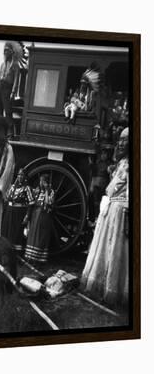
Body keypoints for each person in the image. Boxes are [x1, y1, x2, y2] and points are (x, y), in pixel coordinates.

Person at [81, 128, 129, 307]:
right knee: (104, 248)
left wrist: (127, 210)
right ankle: (101, 285)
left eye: (125, 140)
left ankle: (112, 289)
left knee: (115, 249)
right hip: (111, 207)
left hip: (120, 210)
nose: (121, 143)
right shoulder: (122, 162)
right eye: (121, 140)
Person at [24, 174, 56, 263]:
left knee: (40, 236)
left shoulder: (51, 192)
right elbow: (31, 200)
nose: (41, 183)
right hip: (35, 215)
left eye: (43, 181)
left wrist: (46, 190)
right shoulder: (37, 191)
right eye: (40, 181)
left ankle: (38, 259)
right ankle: (30, 257)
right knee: (32, 235)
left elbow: (48, 202)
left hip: (44, 217)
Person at [1, 168, 34, 252]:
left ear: (25, 177)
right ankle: (5, 249)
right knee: (7, 230)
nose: (20, 176)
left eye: (22, 175)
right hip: (9, 211)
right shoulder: (12, 187)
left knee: (16, 233)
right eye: (19, 175)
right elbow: (7, 199)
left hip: (19, 214)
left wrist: (27, 216)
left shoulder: (27, 188)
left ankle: (16, 252)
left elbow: (31, 203)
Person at [0, 42, 21, 136]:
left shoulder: (15, 65)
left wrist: (13, 92)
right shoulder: (2, 64)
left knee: (8, 111)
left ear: (11, 52)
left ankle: (10, 131)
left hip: (7, 88)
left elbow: (16, 80)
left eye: (7, 50)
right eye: (4, 51)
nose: (5, 52)